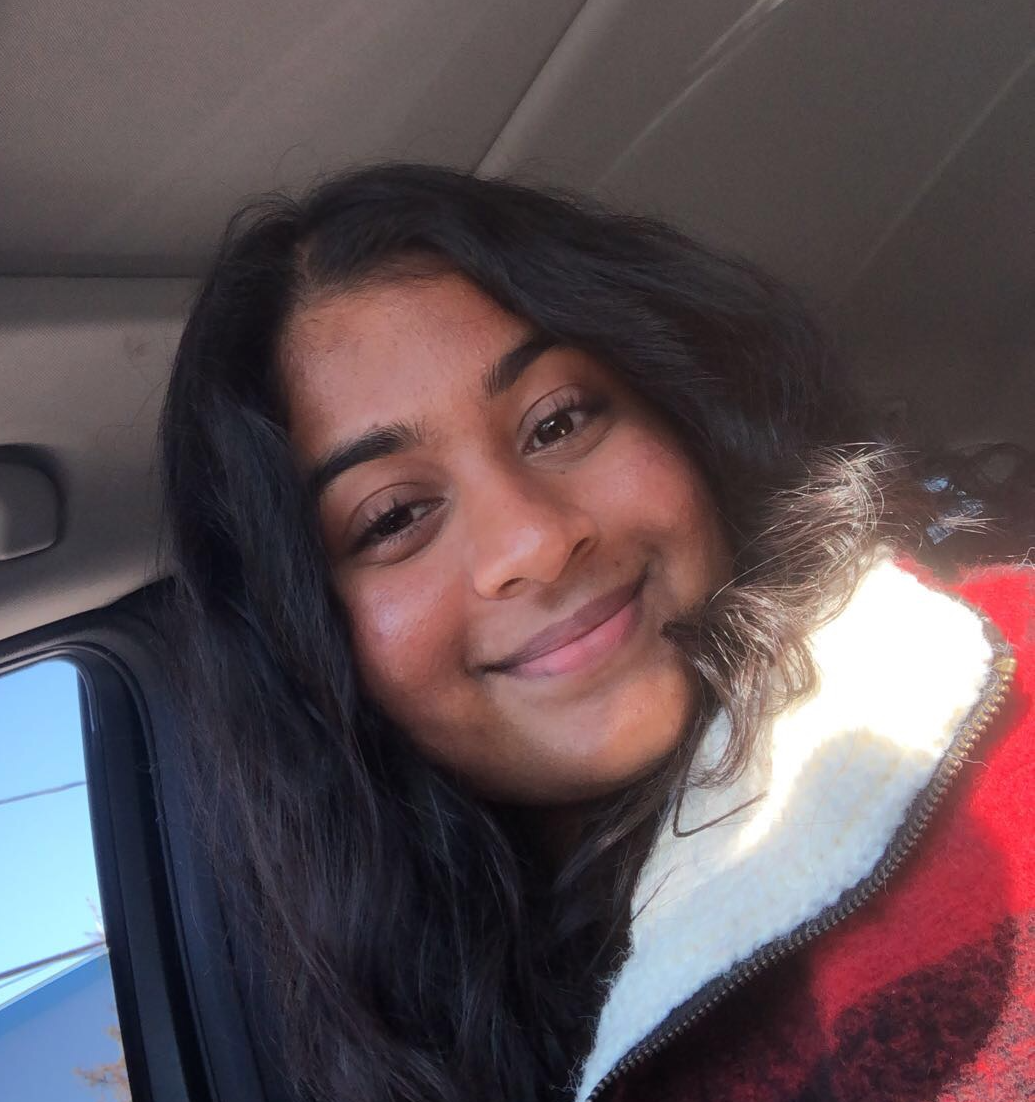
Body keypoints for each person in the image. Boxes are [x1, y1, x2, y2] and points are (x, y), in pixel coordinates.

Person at [158, 164, 1034, 1102]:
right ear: (308, 652)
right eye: (394, 517)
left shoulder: (992, 696)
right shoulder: (423, 1033)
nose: (534, 541)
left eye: (559, 422)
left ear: (686, 414)